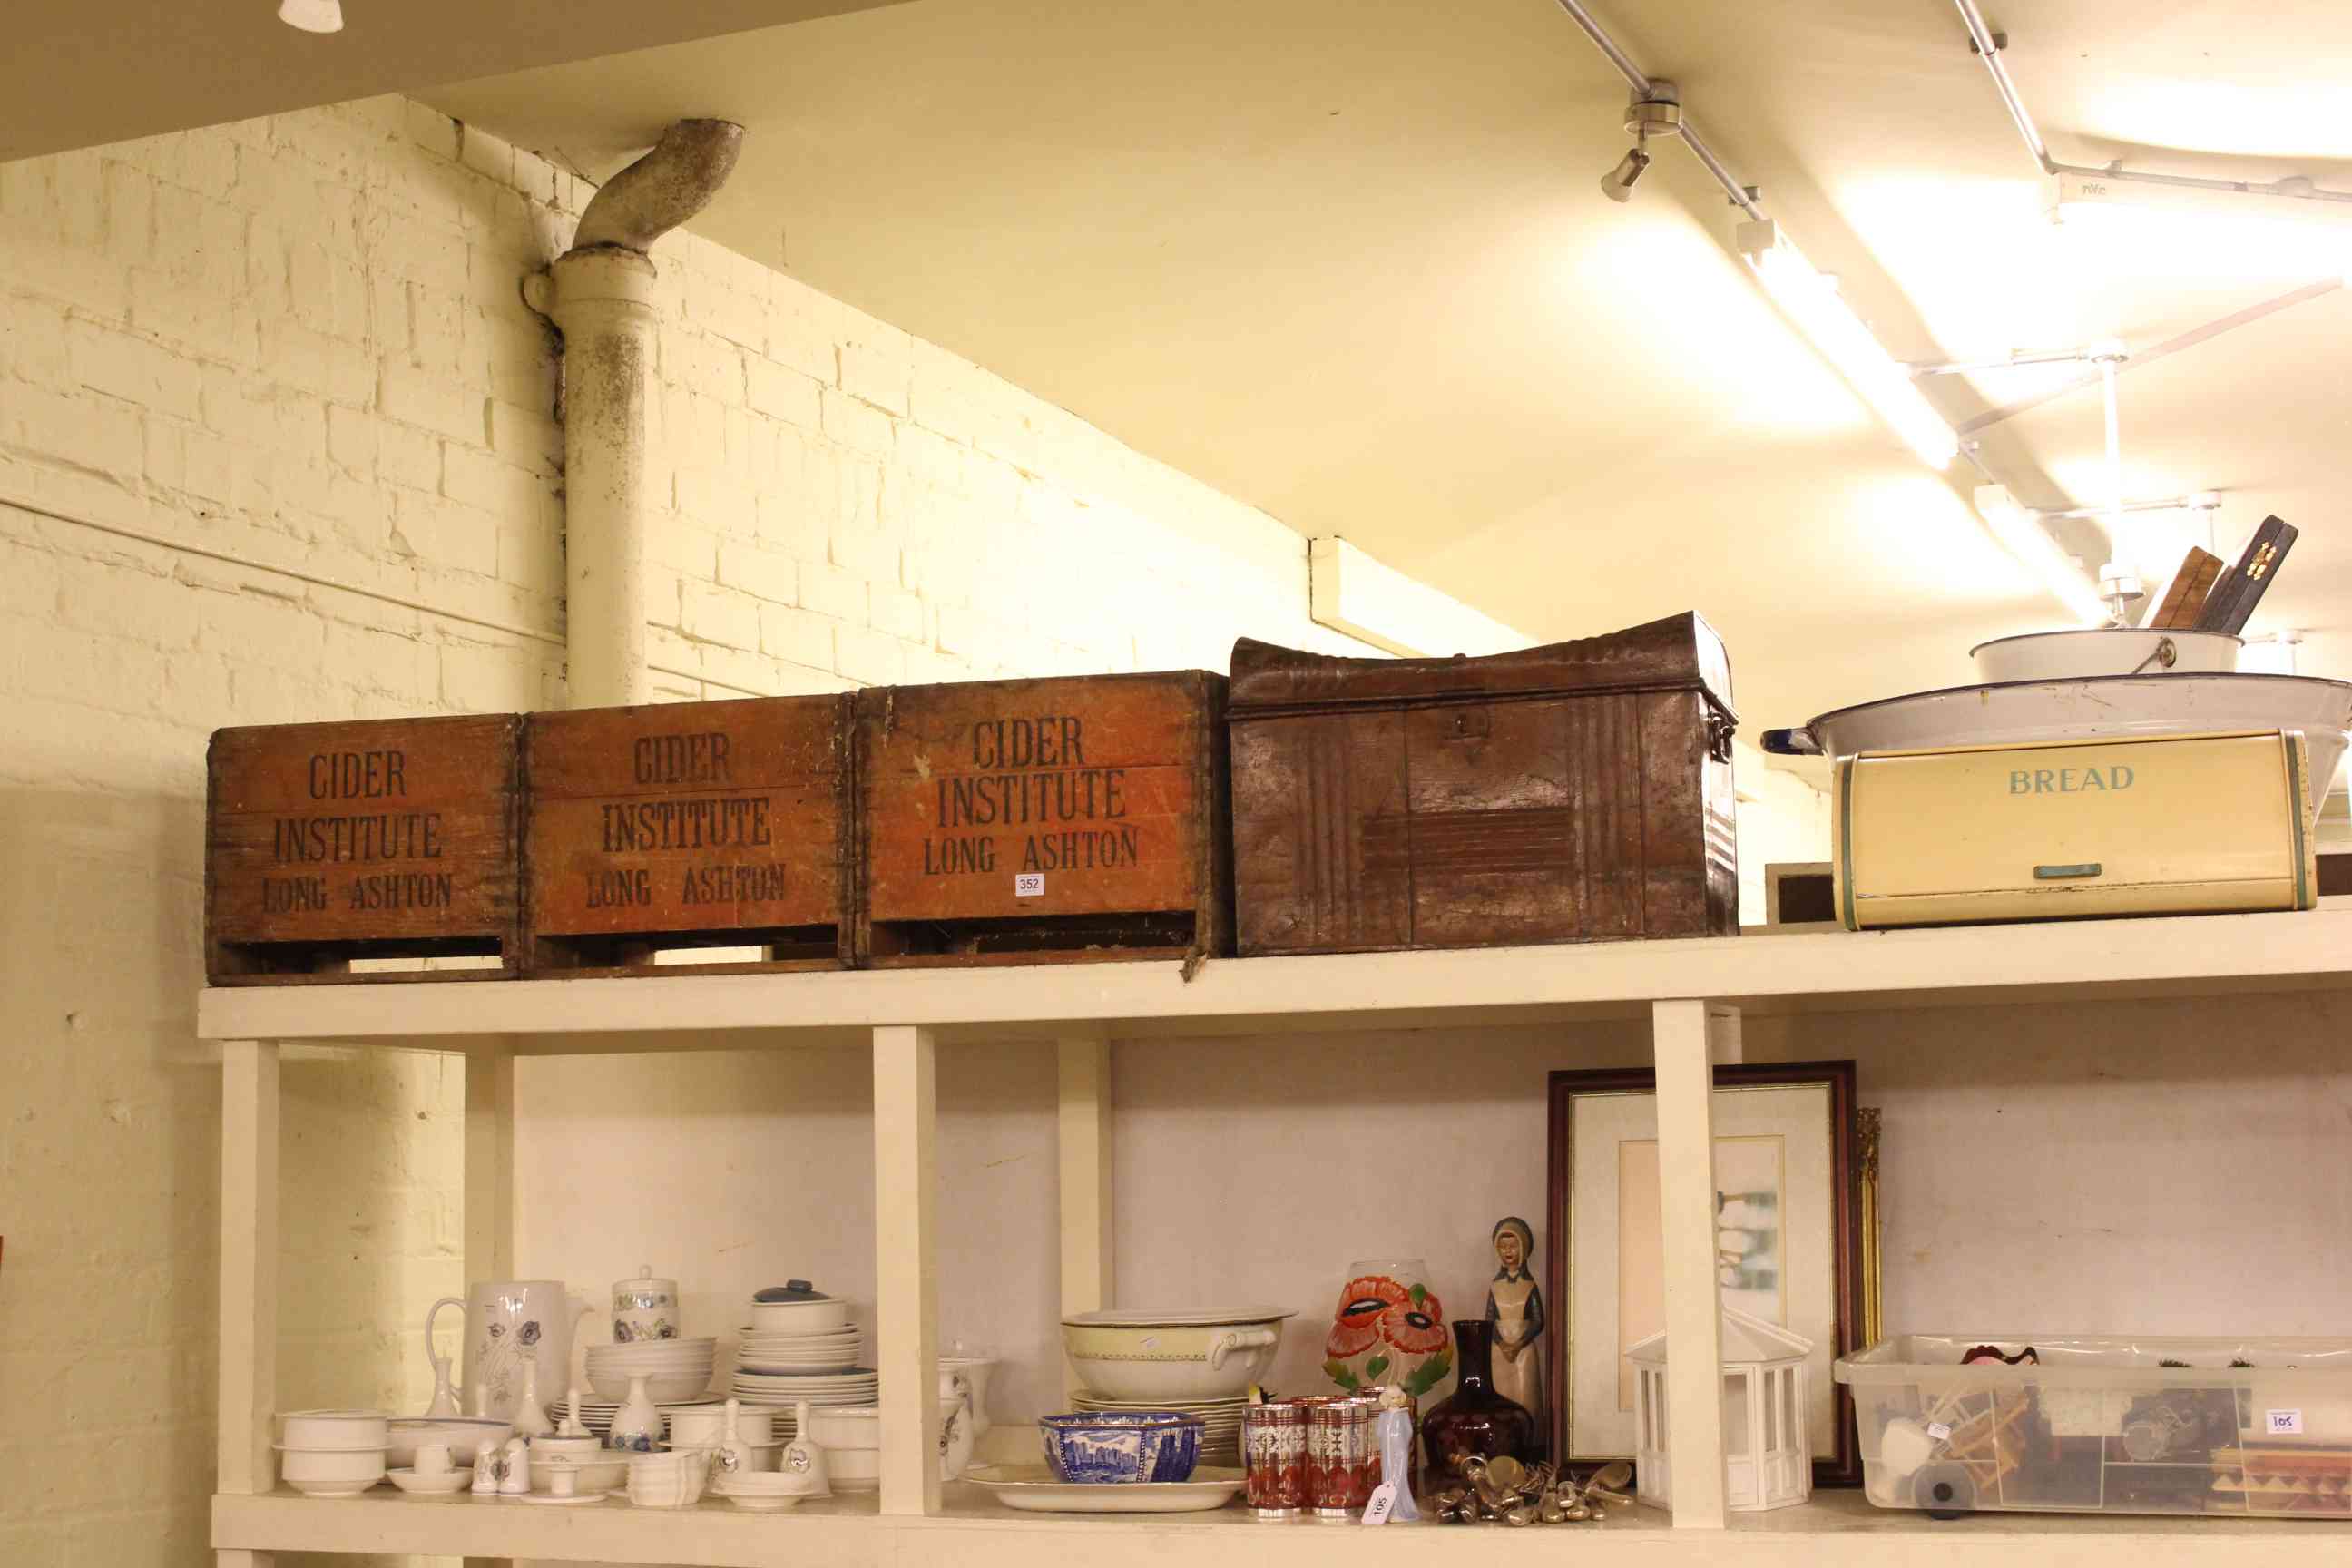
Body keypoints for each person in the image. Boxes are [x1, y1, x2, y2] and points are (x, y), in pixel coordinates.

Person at [1485, 1215, 1546, 1454]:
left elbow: (1538, 1320)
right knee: (1500, 1398)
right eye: (1503, 1246)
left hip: (1523, 1349)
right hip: (1499, 1351)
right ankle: (1502, 1446)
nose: (1508, 1251)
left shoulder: (1530, 1286)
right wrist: (1501, 1343)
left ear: (1523, 1248)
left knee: (1526, 1396)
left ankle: (1529, 1447)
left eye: (1513, 1246)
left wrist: (1519, 1343)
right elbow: (1490, 1318)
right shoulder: (1494, 1286)